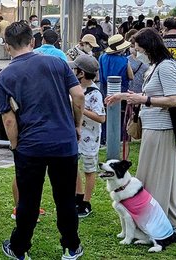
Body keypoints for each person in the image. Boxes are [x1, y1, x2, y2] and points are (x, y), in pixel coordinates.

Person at [0, 21, 85, 260]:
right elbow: (78, 96)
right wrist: (76, 125)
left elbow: (9, 120)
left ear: (7, 47)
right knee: (65, 198)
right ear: (33, 41)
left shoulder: (5, 76)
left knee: (28, 201)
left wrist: (15, 145)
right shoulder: (57, 63)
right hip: (64, 143)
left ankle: (19, 248)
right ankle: (71, 246)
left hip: (30, 146)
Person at [105, 27, 176, 234]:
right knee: (158, 175)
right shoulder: (157, 65)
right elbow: (150, 94)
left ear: (148, 47)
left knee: (157, 177)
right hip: (152, 126)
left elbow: (173, 100)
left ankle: (155, 222)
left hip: (161, 128)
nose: (135, 51)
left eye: (138, 47)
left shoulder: (166, 67)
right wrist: (125, 96)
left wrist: (144, 99)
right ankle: (169, 221)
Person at [68, 55, 105, 218]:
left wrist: (81, 109)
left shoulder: (94, 93)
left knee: (89, 170)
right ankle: (78, 196)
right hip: (76, 136)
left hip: (90, 138)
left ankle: (86, 202)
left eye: (75, 69)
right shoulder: (76, 89)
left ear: (81, 73)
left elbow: (101, 117)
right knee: (73, 166)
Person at [99, 34, 134, 146]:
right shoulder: (124, 60)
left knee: (106, 116)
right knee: (121, 117)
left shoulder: (102, 57)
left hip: (105, 92)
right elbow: (131, 76)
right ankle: (120, 138)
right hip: (121, 92)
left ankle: (104, 139)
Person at [125, 29, 149, 94]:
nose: (134, 49)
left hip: (143, 91)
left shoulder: (147, 59)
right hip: (129, 91)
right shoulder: (127, 59)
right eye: (131, 46)